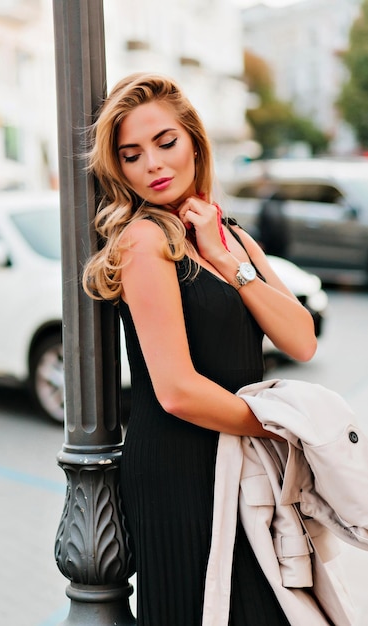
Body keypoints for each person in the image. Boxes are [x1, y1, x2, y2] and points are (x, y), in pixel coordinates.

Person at [82, 73, 317, 625]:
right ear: (119, 168)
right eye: (132, 154)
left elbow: (300, 338)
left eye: (166, 143)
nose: (153, 165)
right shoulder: (144, 240)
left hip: (240, 456)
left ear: (194, 141)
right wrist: (284, 427)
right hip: (182, 467)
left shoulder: (227, 234)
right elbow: (177, 392)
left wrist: (226, 257)